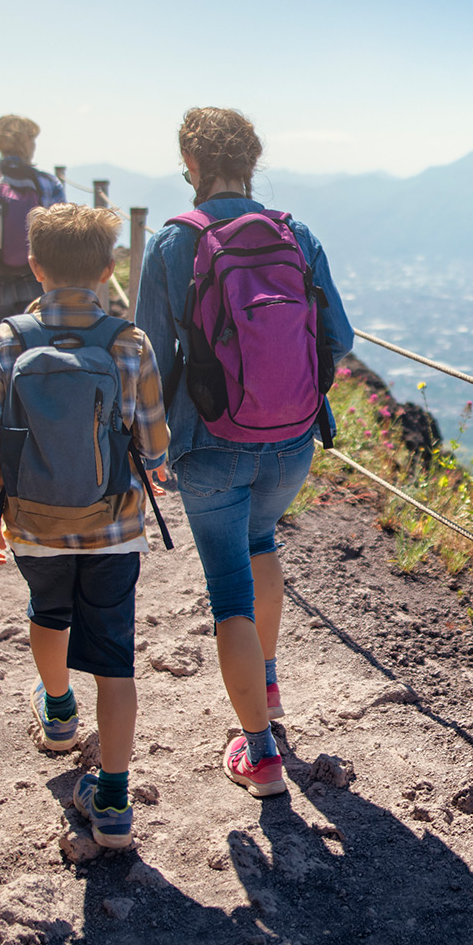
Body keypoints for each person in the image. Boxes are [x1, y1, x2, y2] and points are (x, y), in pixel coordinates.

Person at [135, 107, 353, 799]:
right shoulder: (296, 232)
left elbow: (145, 357)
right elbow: (339, 337)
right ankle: (268, 682)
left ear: (190, 163)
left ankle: (259, 755)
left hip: (210, 444)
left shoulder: (173, 243)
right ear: (251, 162)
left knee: (228, 588)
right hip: (291, 444)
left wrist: (152, 442)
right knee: (263, 543)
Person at [0, 202, 170, 849]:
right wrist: (149, 470)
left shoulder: (5, 340)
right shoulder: (130, 344)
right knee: (114, 656)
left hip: (34, 520)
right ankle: (112, 801)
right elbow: (156, 447)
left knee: (47, 610)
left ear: (34, 263)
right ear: (110, 267)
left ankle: (56, 713)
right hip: (113, 527)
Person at [0, 114, 68, 332]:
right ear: (27, 144)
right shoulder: (47, 182)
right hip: (35, 275)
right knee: (36, 340)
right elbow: (62, 231)